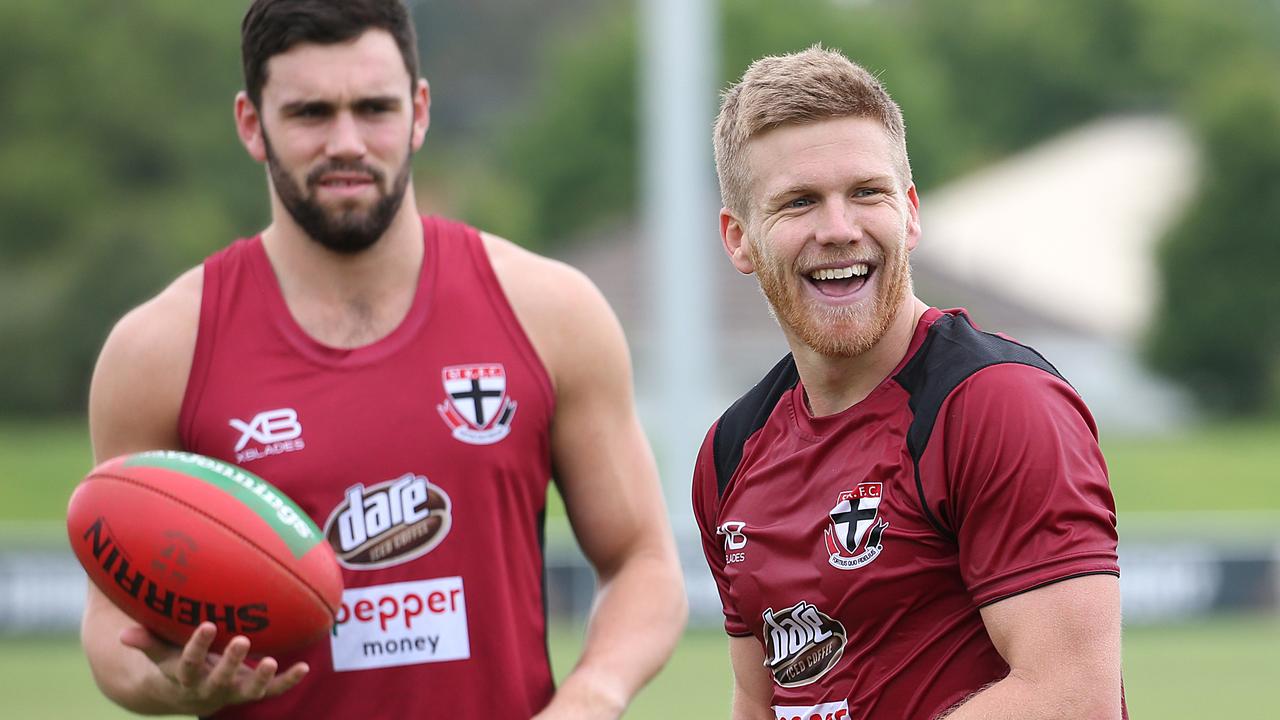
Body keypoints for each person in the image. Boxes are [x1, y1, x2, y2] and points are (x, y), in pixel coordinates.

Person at [80, 1, 686, 717]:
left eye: (373, 108)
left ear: (419, 111)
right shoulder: (159, 351)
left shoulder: (550, 312)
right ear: (252, 123)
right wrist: (169, 685)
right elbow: (108, 628)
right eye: (310, 113)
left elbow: (644, 562)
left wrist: (590, 697)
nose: (347, 142)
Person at [691, 47, 1126, 719]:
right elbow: (758, 702)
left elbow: (1072, 697)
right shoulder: (731, 452)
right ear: (739, 239)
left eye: (866, 193)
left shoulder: (998, 405)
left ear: (911, 212)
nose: (839, 229)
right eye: (799, 202)